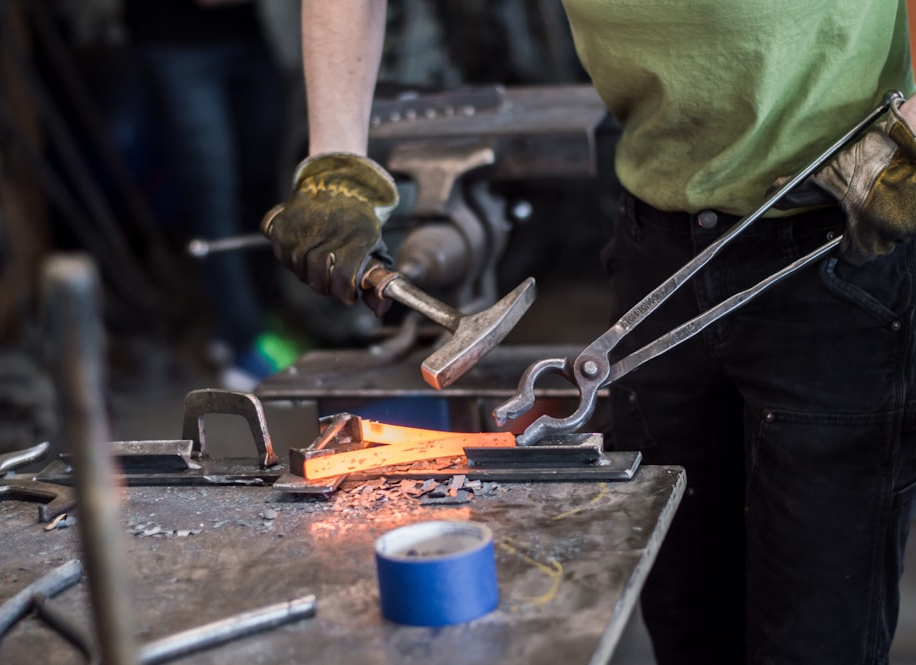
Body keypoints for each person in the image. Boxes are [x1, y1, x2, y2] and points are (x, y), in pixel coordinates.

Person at [262, 1, 916, 663]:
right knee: (686, 619)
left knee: (818, 633)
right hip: (657, 236)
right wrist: (336, 160)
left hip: (841, 240)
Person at [123, 0, 297, 390]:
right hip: (175, 45)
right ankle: (244, 341)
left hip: (245, 35)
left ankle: (262, 317)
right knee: (213, 191)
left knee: (264, 186)